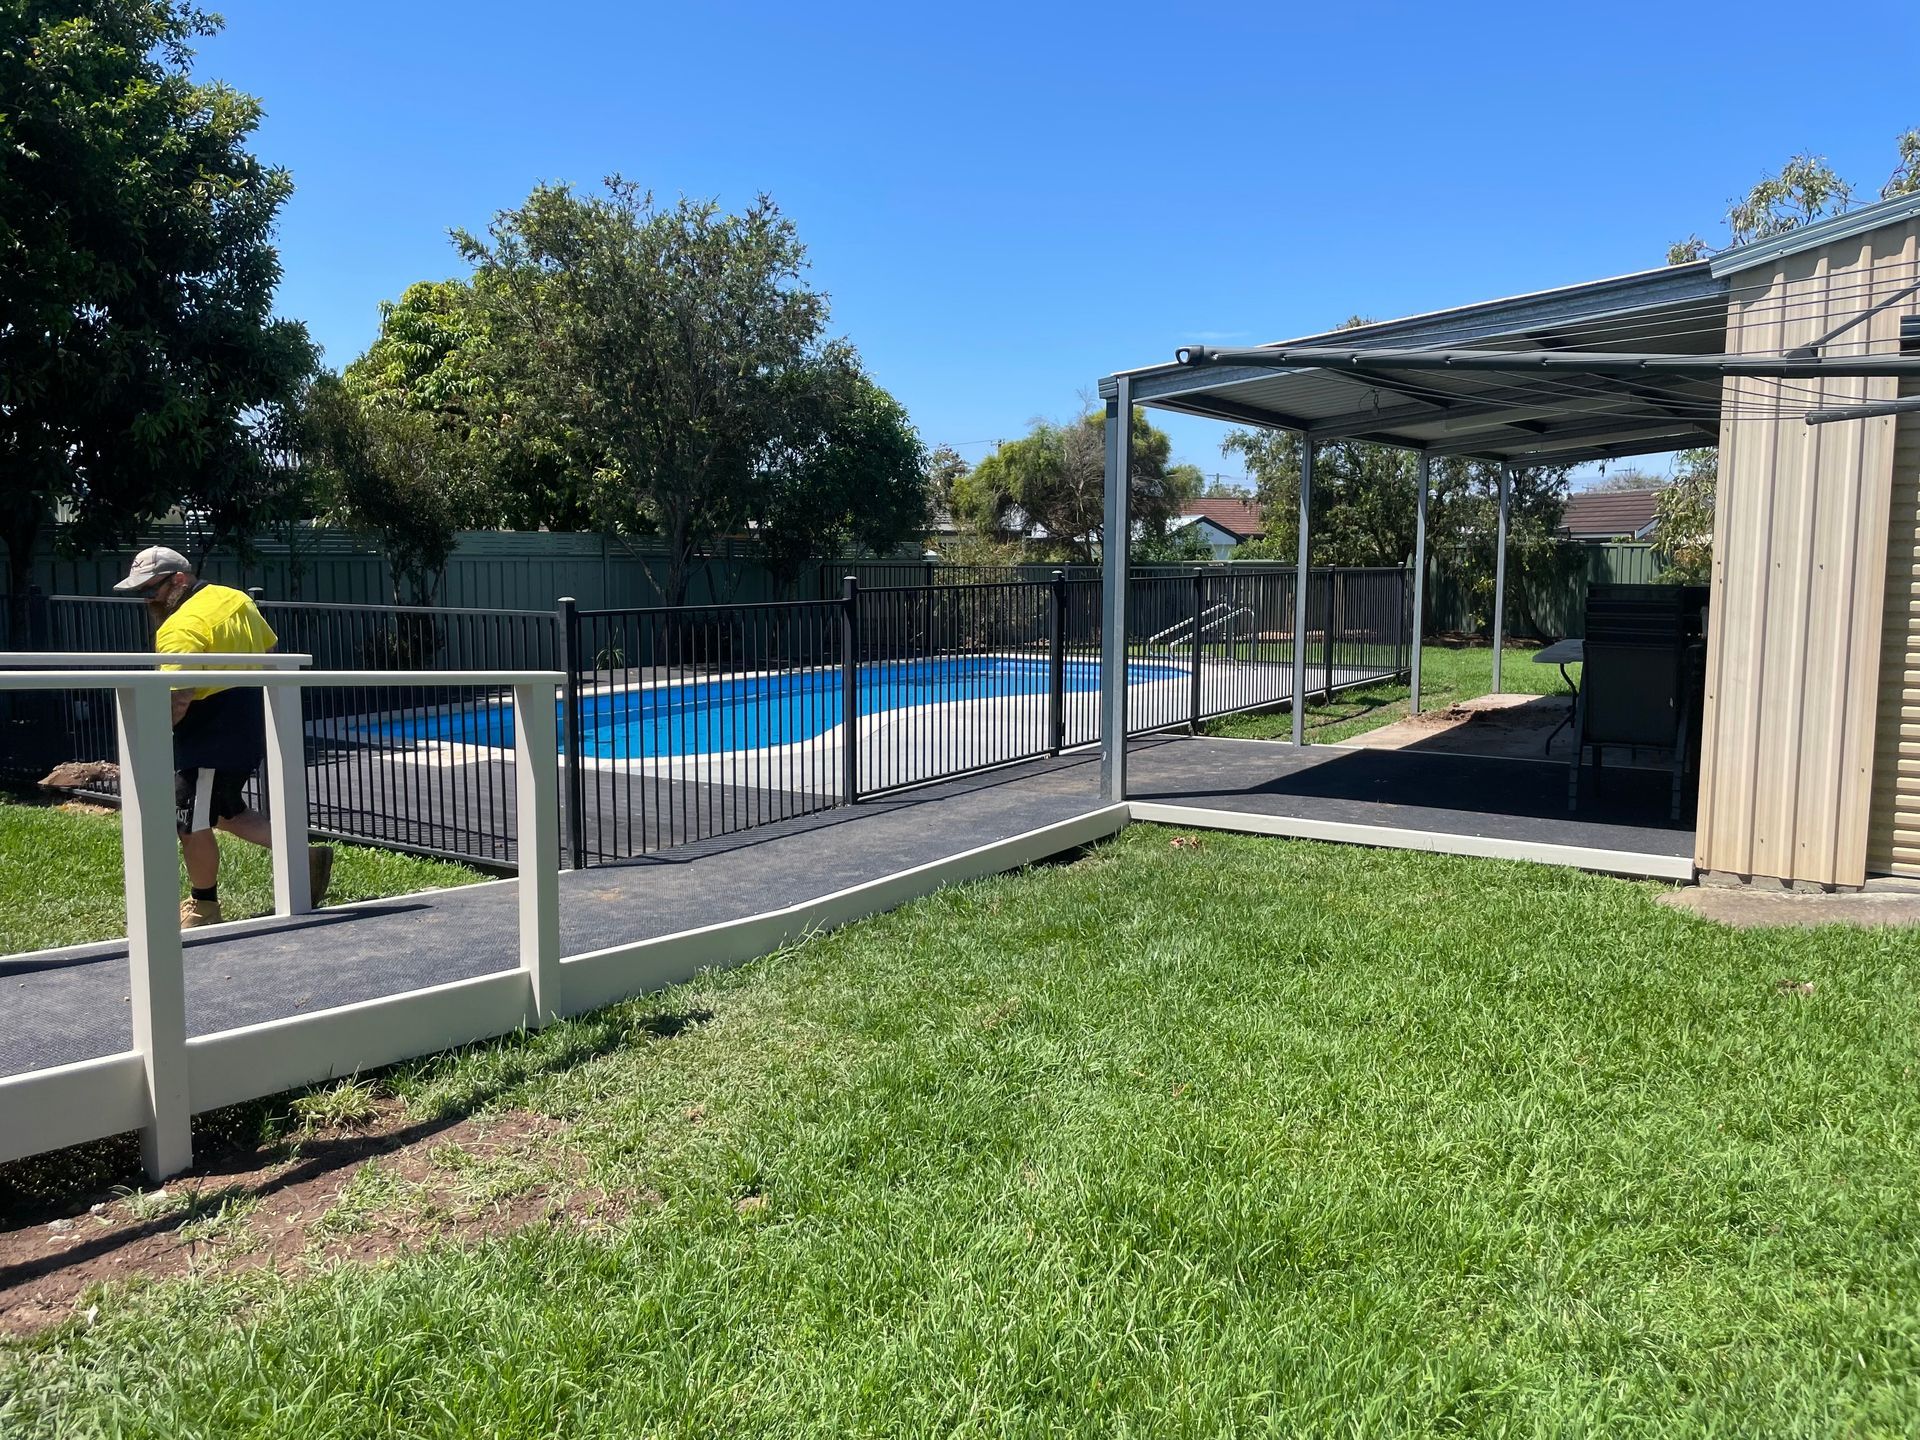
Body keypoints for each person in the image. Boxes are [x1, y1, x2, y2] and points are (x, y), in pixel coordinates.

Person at [112, 547, 333, 928]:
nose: (147, 599)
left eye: (151, 589)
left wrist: (149, 744)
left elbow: (178, 699)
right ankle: (305, 856)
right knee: (225, 810)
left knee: (189, 819)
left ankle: (204, 907)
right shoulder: (236, 598)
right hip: (247, 719)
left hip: (208, 732)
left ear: (178, 580)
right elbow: (270, 651)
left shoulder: (179, 628)